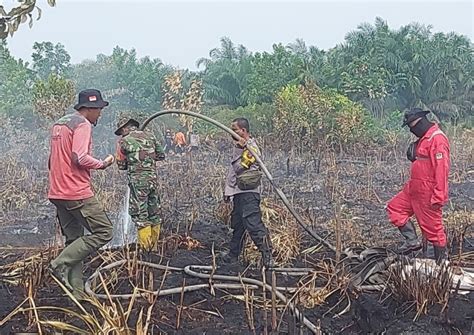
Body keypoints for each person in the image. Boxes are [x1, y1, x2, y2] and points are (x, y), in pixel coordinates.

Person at [48, 89, 115, 299]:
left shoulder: (60, 124)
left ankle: (77, 292)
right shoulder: (82, 124)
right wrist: (103, 164)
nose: (100, 115)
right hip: (76, 192)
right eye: (99, 110)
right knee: (104, 232)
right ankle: (59, 264)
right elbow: (79, 157)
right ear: (90, 109)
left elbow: (51, 161)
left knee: (74, 239)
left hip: (57, 192)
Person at [386, 108, 450, 263]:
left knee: (433, 230)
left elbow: (442, 169)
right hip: (413, 188)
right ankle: (412, 241)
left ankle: (442, 264)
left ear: (420, 122)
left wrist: (439, 195)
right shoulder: (424, 138)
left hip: (427, 192)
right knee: (395, 208)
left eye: (412, 126)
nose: (411, 130)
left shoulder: (437, 139)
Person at [222, 117, 273, 268]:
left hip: (249, 193)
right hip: (239, 193)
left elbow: (239, 168)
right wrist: (228, 190)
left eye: (235, 129)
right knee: (238, 225)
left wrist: (239, 149)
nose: (232, 132)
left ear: (243, 131)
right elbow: (233, 172)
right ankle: (233, 255)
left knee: (253, 223)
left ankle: (267, 256)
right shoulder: (239, 146)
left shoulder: (251, 148)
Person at [115, 116, 165, 251]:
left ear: (125, 128)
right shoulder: (150, 136)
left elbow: (121, 165)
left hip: (138, 183)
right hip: (152, 180)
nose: (121, 134)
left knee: (140, 213)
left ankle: (146, 249)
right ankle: (154, 247)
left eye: (121, 131)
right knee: (154, 212)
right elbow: (161, 155)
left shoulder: (123, 141)